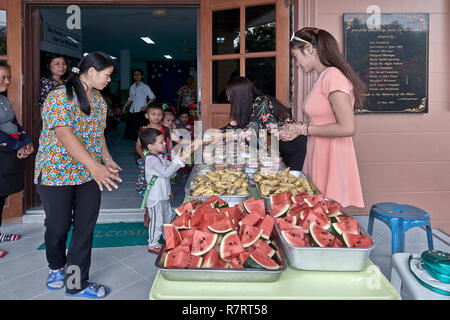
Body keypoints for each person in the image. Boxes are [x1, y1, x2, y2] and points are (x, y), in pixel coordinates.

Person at [34, 51, 122, 298]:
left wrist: (106, 159)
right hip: (56, 173)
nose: (108, 81)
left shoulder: (101, 102)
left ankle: (76, 283)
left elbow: (98, 133)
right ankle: (55, 266)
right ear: (91, 72)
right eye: (107, 75)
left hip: (87, 176)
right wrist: (96, 167)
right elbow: (64, 134)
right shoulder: (59, 96)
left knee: (84, 229)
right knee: (58, 227)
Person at [279, 27, 366, 208]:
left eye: (296, 56)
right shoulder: (324, 77)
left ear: (310, 50)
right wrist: (299, 129)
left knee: (325, 212)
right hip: (319, 149)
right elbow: (323, 120)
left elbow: (347, 127)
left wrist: (303, 129)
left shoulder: (332, 76)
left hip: (332, 154)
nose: (296, 63)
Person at [221, 76, 307, 171]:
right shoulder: (250, 107)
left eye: (230, 95)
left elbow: (251, 132)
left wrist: (223, 136)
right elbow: (234, 125)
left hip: (296, 146)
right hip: (284, 146)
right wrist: (212, 135)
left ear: (238, 95)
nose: (228, 99)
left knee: (293, 180)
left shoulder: (262, 101)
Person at [0, 63, 34, 258]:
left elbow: (14, 124)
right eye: (3, 77)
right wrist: (16, 146)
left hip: (9, 152)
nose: (7, 81)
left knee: (2, 195)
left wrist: (26, 141)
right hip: (5, 150)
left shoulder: (4, 99)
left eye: (9, 77)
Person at [138, 127, 189, 254]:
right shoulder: (151, 160)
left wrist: (178, 160)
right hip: (155, 198)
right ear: (150, 146)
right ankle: (153, 243)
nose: (165, 143)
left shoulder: (159, 157)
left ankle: (168, 239)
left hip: (163, 195)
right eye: (161, 142)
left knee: (167, 218)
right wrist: (177, 163)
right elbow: (166, 172)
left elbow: (170, 171)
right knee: (157, 221)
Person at [122, 69, 156, 141]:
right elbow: (130, 98)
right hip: (132, 110)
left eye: (138, 74)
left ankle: (140, 146)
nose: (136, 76)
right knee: (132, 130)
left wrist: (146, 106)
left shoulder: (145, 86)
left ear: (142, 76)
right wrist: (124, 106)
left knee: (141, 131)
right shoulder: (132, 86)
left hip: (141, 111)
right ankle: (135, 146)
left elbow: (152, 97)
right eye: (135, 75)